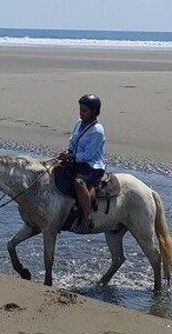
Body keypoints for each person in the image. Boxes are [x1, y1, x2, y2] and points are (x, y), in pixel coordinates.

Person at [58, 94, 106, 234]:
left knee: (79, 182)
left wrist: (71, 156)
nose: (81, 113)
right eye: (80, 110)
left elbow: (88, 155)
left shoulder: (97, 130)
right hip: (76, 160)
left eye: (84, 111)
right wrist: (67, 152)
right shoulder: (79, 123)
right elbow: (72, 142)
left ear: (94, 111)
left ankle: (87, 218)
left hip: (92, 166)